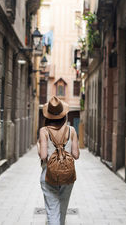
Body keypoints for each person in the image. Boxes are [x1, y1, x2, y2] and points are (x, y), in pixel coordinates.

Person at [38, 96, 80, 225]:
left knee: (52, 211)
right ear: (63, 115)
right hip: (67, 175)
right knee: (62, 210)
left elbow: (43, 156)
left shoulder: (44, 131)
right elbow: (76, 155)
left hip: (49, 175)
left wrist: (39, 146)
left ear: (48, 116)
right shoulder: (71, 130)